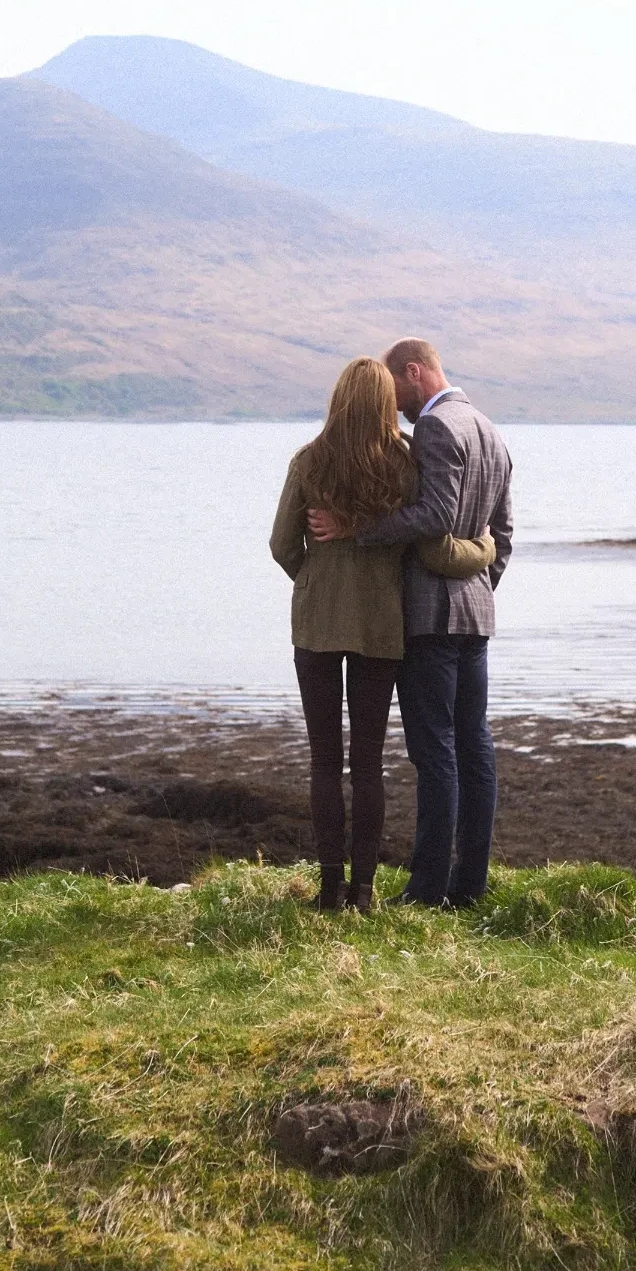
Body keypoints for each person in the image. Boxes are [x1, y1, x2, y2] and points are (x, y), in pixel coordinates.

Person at [269, 356, 495, 914]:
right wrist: (486, 548)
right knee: (368, 764)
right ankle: (364, 892)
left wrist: (315, 581)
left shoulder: (309, 459)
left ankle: (329, 891)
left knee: (325, 762)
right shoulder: (404, 462)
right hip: (382, 626)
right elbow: (431, 539)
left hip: (317, 625)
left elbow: (282, 545)